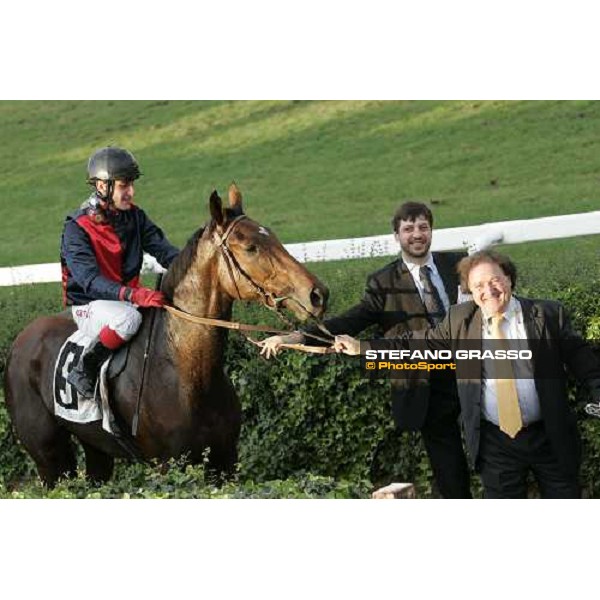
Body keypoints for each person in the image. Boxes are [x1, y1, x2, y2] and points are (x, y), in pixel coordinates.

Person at [335, 250, 600, 498]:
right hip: (496, 444)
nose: (489, 291)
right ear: (470, 292)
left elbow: (583, 359)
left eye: (495, 281)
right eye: (479, 286)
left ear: (509, 278)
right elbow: (416, 344)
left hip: (550, 437)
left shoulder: (547, 314)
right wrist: (363, 347)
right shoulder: (460, 321)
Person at [259, 201, 474, 498]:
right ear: (397, 236)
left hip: (476, 372)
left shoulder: (459, 265)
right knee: (449, 466)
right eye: (408, 229)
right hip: (425, 382)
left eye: (423, 227)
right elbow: (350, 320)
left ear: (431, 231)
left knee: (493, 452)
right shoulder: (383, 282)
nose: (417, 234)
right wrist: (294, 337)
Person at [60, 147, 179, 398]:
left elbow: (165, 252)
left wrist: (195, 268)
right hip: (88, 305)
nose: (131, 192)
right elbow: (89, 282)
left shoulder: (135, 217)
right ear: (103, 186)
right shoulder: (76, 228)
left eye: (132, 185)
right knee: (129, 319)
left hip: (124, 302)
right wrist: (134, 295)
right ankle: (84, 370)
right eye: (125, 186)